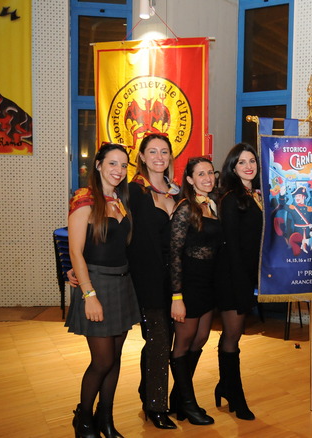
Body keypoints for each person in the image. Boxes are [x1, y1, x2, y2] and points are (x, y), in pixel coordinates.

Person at [65, 143, 140, 438]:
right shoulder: (84, 199)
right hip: (96, 285)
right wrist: (89, 294)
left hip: (122, 283)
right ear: (98, 165)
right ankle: (83, 417)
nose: (118, 170)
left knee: (116, 358)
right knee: (103, 360)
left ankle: (105, 418)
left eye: (123, 165)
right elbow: (76, 252)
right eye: (112, 163)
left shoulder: (121, 201)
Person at [127, 133, 179, 429]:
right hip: (147, 277)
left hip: (176, 280)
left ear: (170, 156)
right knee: (158, 339)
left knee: (164, 340)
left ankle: (147, 389)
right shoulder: (134, 191)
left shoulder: (177, 192)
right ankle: (156, 405)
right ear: (142, 157)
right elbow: (115, 229)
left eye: (164, 151)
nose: (159, 157)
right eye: (153, 151)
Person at [168, 157, 222, 425]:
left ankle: (178, 399)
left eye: (210, 172)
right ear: (189, 179)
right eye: (201, 174)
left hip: (208, 283)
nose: (207, 178)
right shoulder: (185, 208)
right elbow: (174, 254)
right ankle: (189, 405)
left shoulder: (213, 205)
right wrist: (176, 297)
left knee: (200, 339)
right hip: (188, 284)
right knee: (183, 343)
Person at [214, 143, 263, 421]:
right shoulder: (231, 198)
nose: (248, 166)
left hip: (247, 275)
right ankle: (236, 395)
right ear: (232, 167)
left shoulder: (255, 195)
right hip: (232, 276)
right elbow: (231, 244)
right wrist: (242, 282)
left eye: (252, 160)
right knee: (233, 335)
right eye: (242, 162)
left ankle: (225, 385)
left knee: (233, 334)